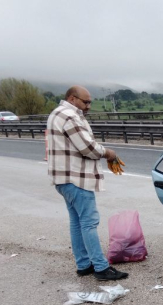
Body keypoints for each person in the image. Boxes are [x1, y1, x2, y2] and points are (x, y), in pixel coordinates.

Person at [47, 85, 128, 280]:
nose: (89, 106)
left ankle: (84, 264)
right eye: (85, 102)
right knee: (89, 223)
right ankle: (101, 268)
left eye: (90, 102)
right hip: (76, 178)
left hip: (63, 178)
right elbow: (88, 147)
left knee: (77, 222)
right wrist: (109, 153)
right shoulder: (69, 115)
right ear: (72, 98)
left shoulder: (57, 113)